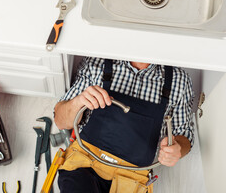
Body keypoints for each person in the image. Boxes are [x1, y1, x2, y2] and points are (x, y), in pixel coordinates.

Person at [54, 57, 194, 193]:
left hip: (132, 177)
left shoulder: (179, 81)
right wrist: (78, 102)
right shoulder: (97, 62)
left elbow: (185, 135)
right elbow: (60, 121)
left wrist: (178, 149)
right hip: (84, 162)